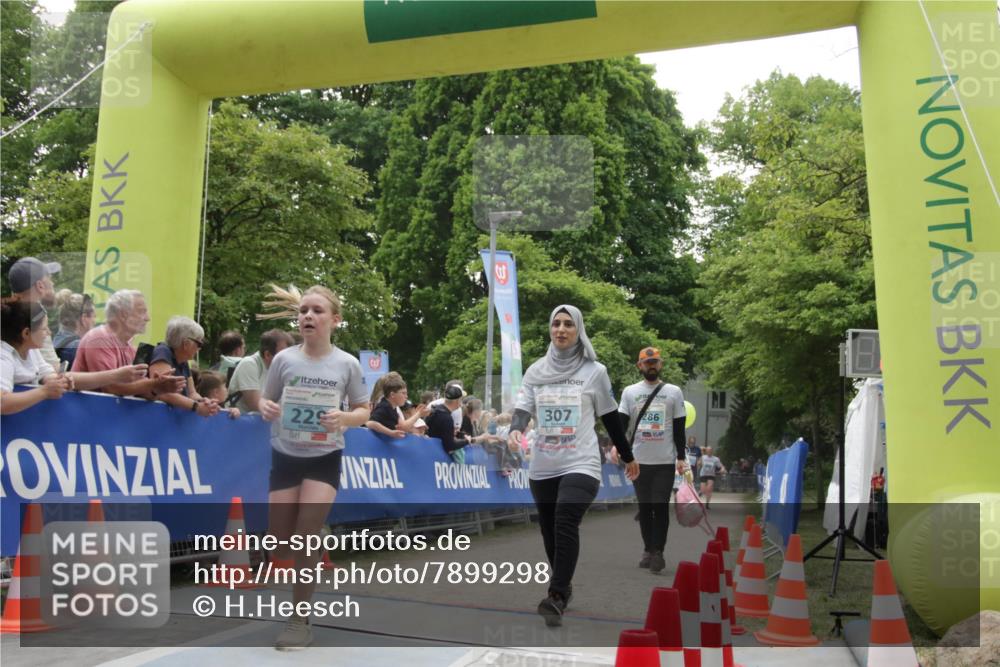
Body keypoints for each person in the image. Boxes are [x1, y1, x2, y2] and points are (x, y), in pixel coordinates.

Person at [506, 305, 638, 627]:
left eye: (568, 324)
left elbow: (610, 419)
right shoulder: (535, 371)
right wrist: (515, 429)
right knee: (550, 531)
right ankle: (563, 587)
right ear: (550, 330)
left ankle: (557, 595)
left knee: (566, 518)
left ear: (578, 330)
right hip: (544, 464)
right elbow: (523, 408)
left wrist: (628, 454)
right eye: (556, 324)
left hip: (581, 461)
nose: (561, 329)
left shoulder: (595, 371)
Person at [257, 284, 370, 650]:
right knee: (280, 546)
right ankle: (314, 538)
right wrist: (266, 408)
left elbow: (363, 409)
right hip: (286, 454)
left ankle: (298, 619)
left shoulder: (347, 363)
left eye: (317, 310)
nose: (308, 315)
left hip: (324, 456)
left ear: (335, 320)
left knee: (304, 536)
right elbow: (265, 399)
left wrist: (344, 418)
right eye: (303, 310)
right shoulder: (284, 360)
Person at [1, 299, 147, 415]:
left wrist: (63, 381)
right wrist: (44, 392)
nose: (48, 333)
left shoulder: (32, 351)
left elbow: (55, 378)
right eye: (44, 328)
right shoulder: (4, 357)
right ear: (26, 333)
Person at [618, 346, 688, 574]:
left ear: (661, 364)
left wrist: (681, 457)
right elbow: (620, 424)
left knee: (659, 506)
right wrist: (618, 449)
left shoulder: (674, 392)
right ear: (639, 366)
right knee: (645, 508)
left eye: (655, 362)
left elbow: (679, 428)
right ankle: (648, 548)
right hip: (638, 462)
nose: (651, 365)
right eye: (647, 362)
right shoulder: (629, 392)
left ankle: (659, 551)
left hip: (665, 462)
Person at [72, 289, 186, 397]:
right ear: (123, 314)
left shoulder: (130, 347)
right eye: (142, 311)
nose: (148, 318)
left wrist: (157, 387)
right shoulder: (99, 339)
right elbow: (111, 388)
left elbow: (138, 390)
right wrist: (154, 384)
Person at [147, 316, 235, 418]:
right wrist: (196, 406)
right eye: (199, 343)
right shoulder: (163, 352)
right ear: (186, 343)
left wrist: (205, 402)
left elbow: (192, 393)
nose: (200, 348)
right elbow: (164, 393)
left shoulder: (183, 361)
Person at [7, 256, 62, 367]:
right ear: (40, 286)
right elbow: (53, 368)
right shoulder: (36, 319)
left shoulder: (8, 315)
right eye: (49, 278)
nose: (53, 283)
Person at [227, 328, 294, 413]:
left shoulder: (276, 369)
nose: (288, 360)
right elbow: (255, 404)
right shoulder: (249, 364)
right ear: (267, 354)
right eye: (283, 356)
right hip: (239, 422)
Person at [52, 290, 96, 369]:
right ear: (84, 318)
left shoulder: (56, 340)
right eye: (94, 316)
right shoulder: (80, 348)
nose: (94, 321)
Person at [425, 385, 472, 458]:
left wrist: (461, 435)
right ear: (457, 401)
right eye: (461, 400)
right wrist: (466, 441)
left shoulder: (435, 410)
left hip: (428, 451)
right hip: (436, 457)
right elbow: (450, 445)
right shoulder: (447, 418)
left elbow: (441, 432)